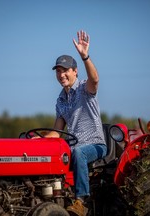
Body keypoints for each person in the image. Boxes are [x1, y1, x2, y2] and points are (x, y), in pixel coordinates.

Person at [46, 30, 107, 216]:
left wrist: (85, 56)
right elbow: (57, 132)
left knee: (79, 152)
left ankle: (82, 201)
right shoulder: (60, 100)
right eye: (58, 71)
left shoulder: (84, 88)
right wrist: (37, 142)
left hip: (95, 145)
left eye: (65, 70)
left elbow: (95, 80)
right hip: (73, 148)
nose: (61, 74)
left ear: (75, 71)